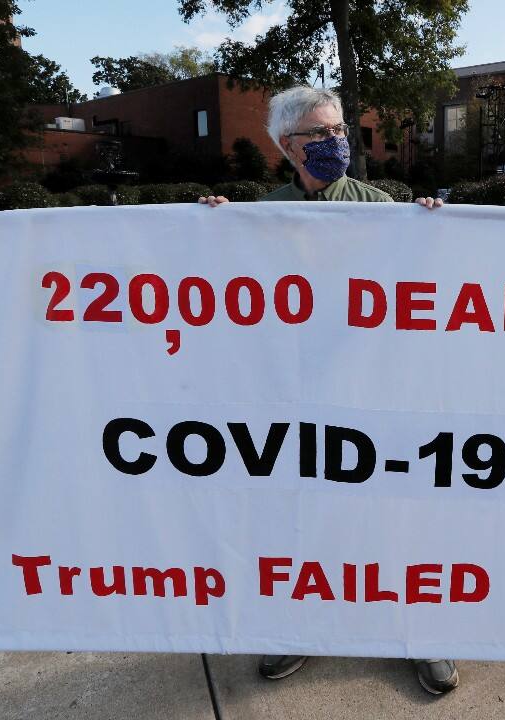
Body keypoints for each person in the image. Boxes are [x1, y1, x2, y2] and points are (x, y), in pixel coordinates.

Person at [199, 85, 456, 695]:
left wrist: (432, 228)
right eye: (322, 133)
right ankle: (300, 628)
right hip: (299, 396)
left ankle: (419, 634)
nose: (337, 141)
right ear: (288, 146)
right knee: (302, 521)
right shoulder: (263, 215)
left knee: (392, 518)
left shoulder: (379, 206)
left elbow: (423, 277)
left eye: (339, 129)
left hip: (375, 391)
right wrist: (209, 229)